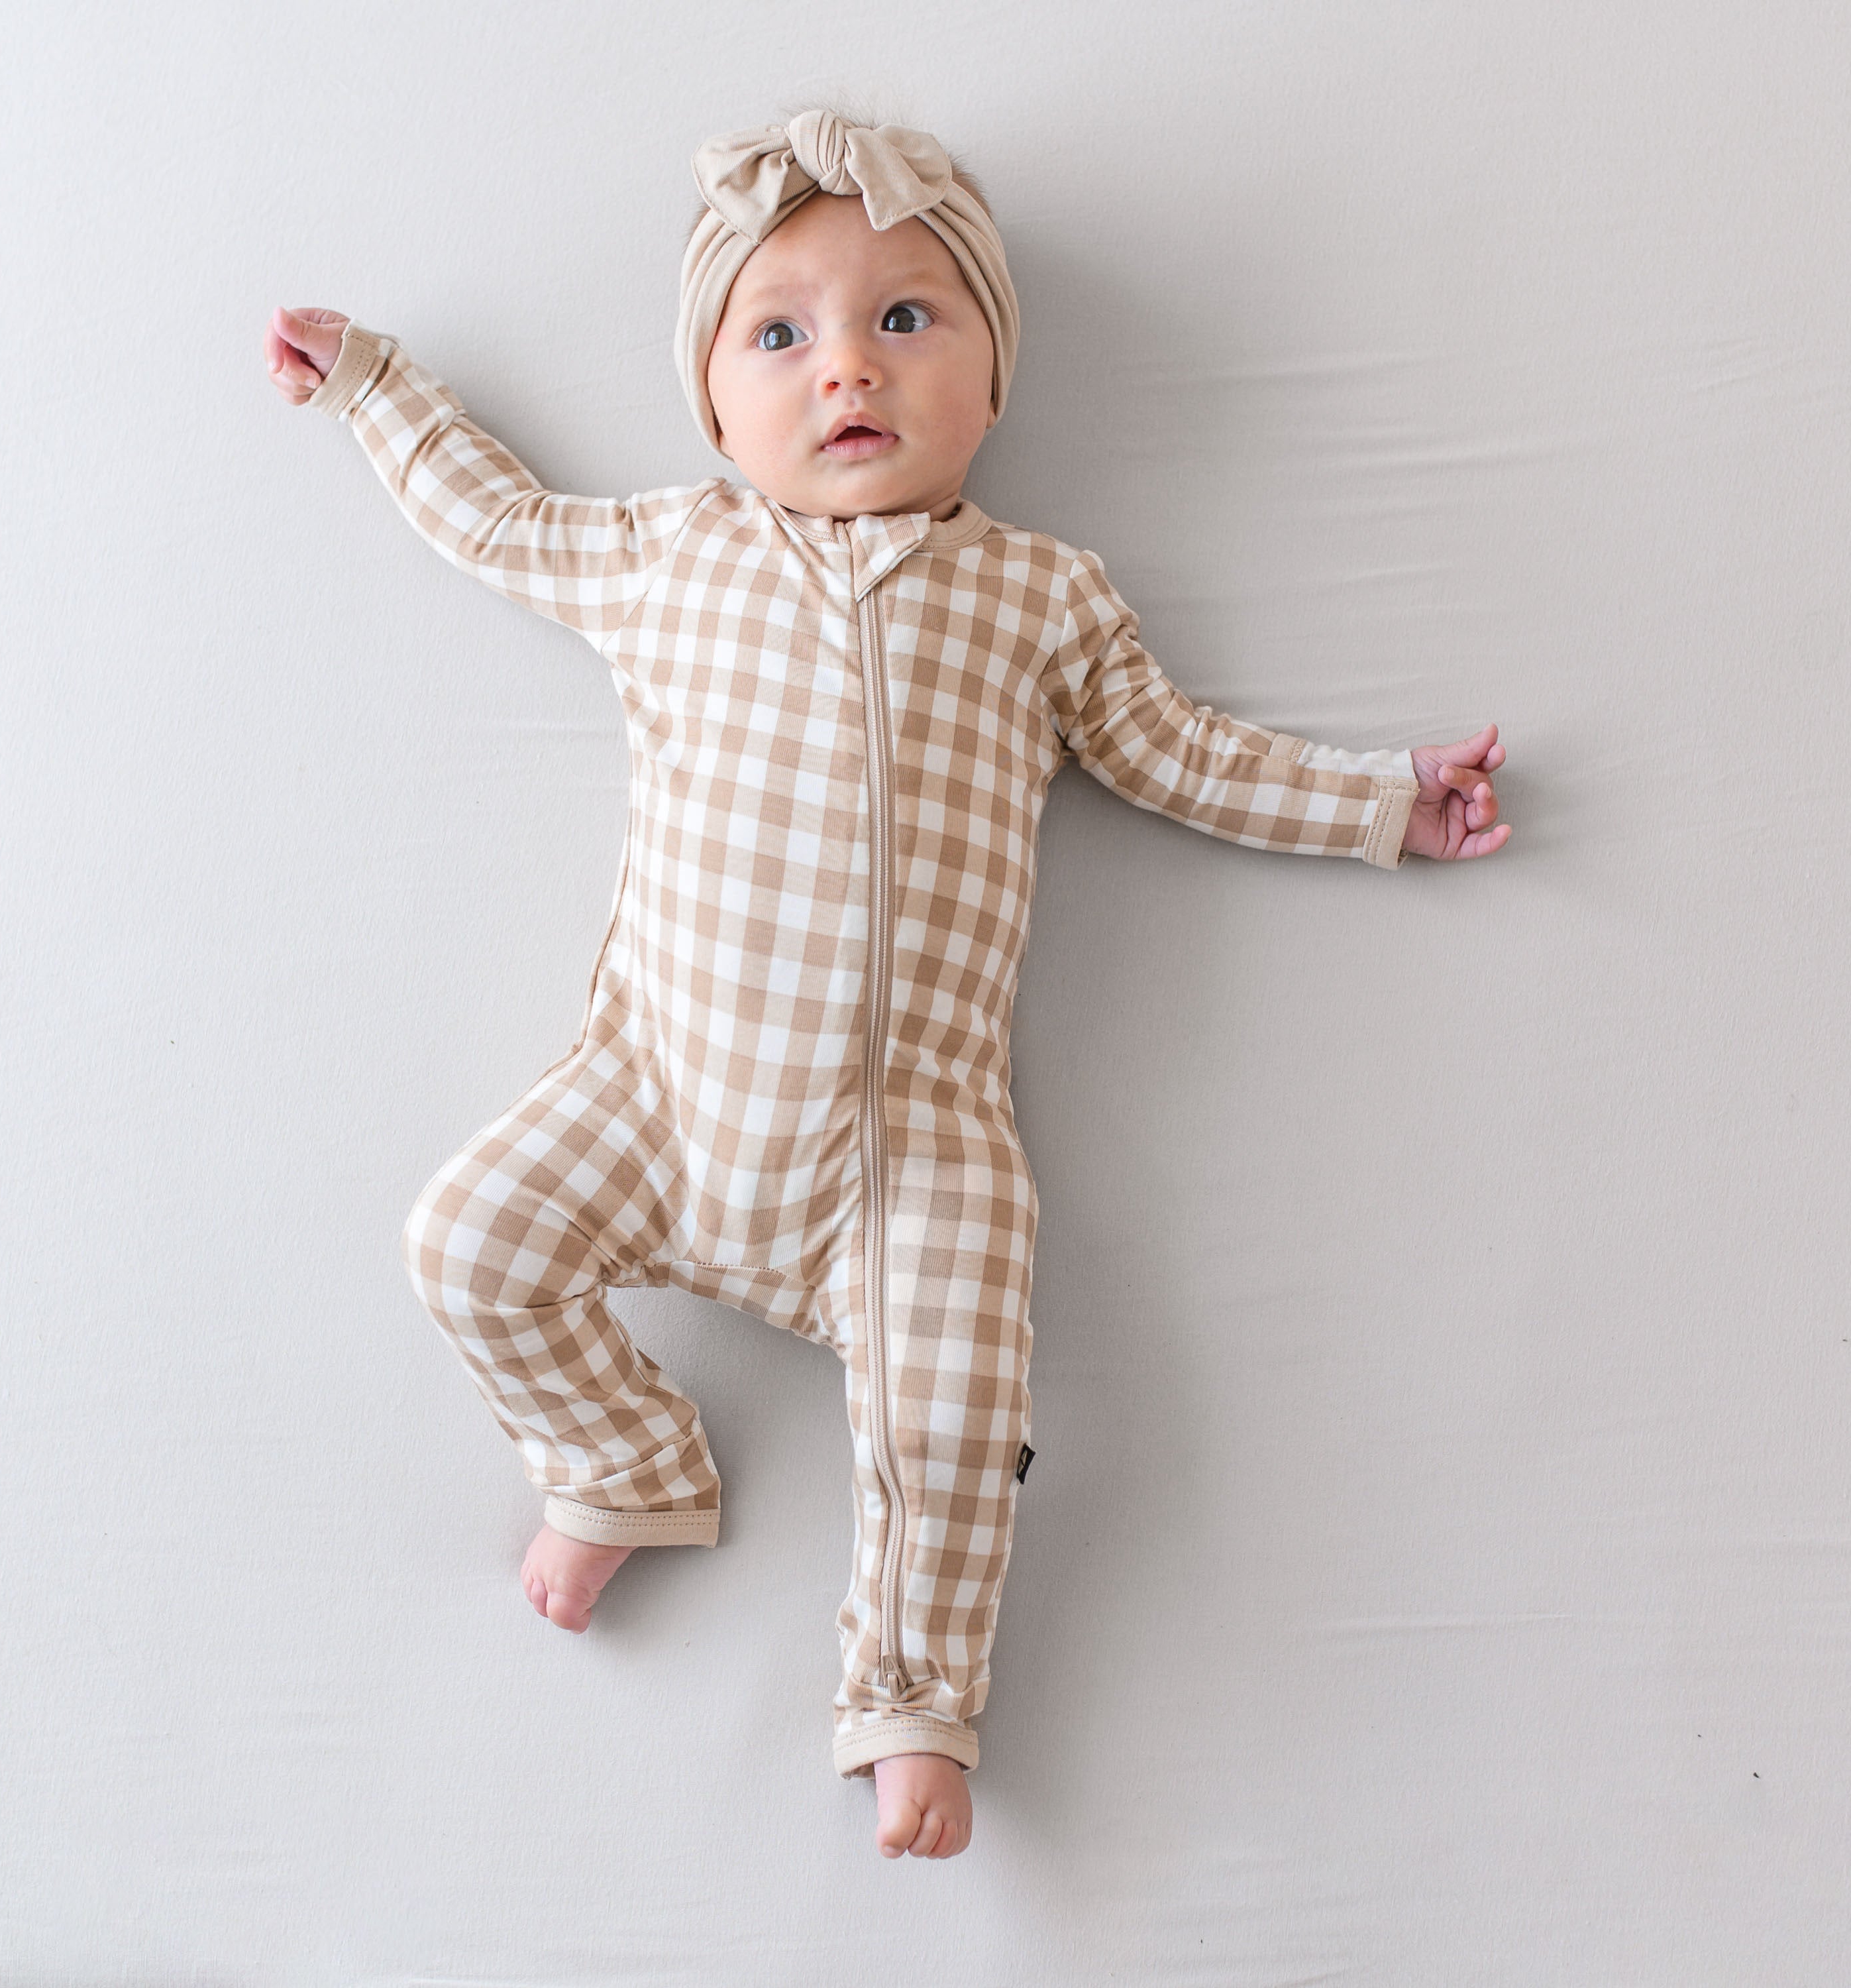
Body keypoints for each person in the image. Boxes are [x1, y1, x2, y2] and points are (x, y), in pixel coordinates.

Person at [263, 108, 1510, 1863]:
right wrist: (374, 385)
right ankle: (623, 1460)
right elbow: (498, 524)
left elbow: (1179, 756)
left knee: (959, 1404)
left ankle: (916, 1698)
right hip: (663, 1099)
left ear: (995, 381)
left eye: (907, 320)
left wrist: (1386, 804)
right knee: (466, 1241)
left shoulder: (1041, 598)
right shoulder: (673, 556)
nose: (847, 367)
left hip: (906, 1147)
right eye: (782, 334)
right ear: (714, 404)